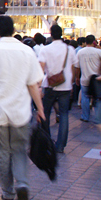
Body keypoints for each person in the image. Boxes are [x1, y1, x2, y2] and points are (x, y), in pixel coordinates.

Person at [0, 16, 45, 200]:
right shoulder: (27, 51)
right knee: (19, 150)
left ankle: (7, 193)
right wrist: (40, 109)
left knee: (2, 153)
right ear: (14, 29)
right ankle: (21, 183)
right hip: (20, 109)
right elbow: (33, 84)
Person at [38, 24, 79, 153]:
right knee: (64, 114)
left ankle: (47, 141)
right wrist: (72, 80)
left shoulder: (45, 49)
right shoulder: (70, 49)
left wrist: (39, 86)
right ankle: (60, 145)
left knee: (45, 113)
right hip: (65, 85)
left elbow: (41, 69)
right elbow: (75, 66)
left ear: (51, 34)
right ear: (61, 34)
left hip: (50, 85)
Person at [75, 34, 101, 122]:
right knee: (97, 98)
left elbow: (77, 67)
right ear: (94, 42)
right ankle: (98, 117)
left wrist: (76, 77)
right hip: (97, 79)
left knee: (85, 97)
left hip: (85, 78)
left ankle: (85, 116)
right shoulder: (99, 52)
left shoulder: (80, 52)